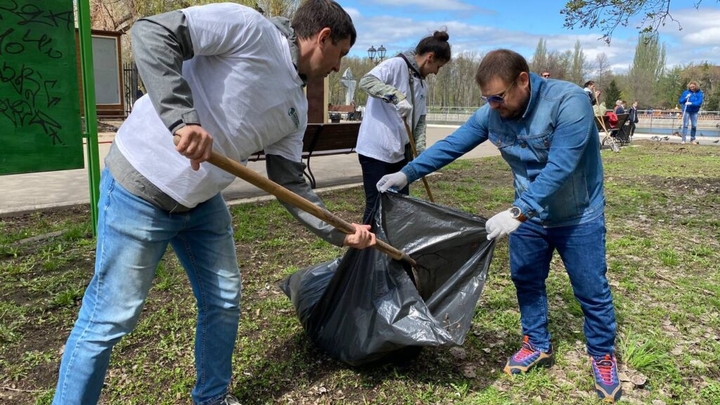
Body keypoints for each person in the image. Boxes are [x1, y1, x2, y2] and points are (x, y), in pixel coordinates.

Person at [51, 2, 376, 405]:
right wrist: (182, 119)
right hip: (140, 190)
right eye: (341, 54)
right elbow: (152, 33)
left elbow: (289, 181)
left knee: (223, 300)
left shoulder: (294, 110)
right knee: (110, 318)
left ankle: (211, 397)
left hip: (202, 204)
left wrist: (340, 233)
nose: (337, 67)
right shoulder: (248, 28)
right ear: (323, 37)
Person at [377, 49, 621, 403]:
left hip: (577, 214)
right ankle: (537, 343)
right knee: (526, 279)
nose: (493, 105)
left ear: (523, 80)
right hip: (531, 218)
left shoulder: (568, 103)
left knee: (591, 288)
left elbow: (561, 167)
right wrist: (406, 173)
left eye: (498, 97)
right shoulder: (493, 112)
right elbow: (452, 145)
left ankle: (602, 355)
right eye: (486, 99)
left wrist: (517, 213)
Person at [355, 30, 451, 223]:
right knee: (376, 206)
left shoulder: (423, 86)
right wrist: (395, 96)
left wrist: (422, 154)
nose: (436, 72)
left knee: (400, 206)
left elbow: (420, 122)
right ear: (430, 57)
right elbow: (366, 82)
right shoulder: (396, 64)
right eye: (438, 66)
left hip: (399, 154)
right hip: (376, 151)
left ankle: (392, 251)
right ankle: (364, 252)